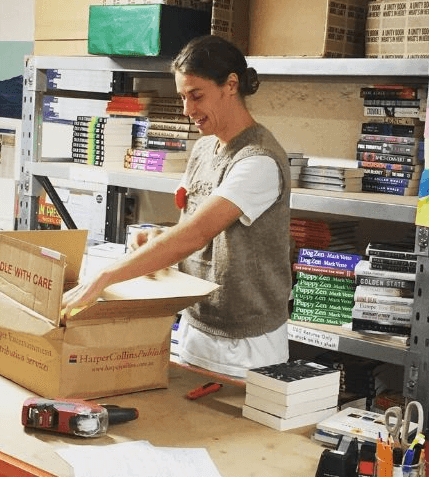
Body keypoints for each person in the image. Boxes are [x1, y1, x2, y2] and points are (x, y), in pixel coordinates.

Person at [61, 35, 292, 378]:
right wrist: (158, 238)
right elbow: (194, 226)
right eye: (183, 97)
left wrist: (105, 277)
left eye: (196, 96)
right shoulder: (203, 149)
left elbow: (197, 234)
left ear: (231, 85)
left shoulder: (258, 160)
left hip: (247, 342)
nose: (187, 110)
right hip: (196, 325)